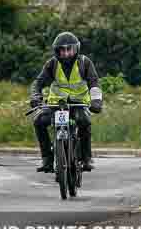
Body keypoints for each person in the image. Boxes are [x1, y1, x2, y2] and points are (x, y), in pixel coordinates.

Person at [29, 32, 103, 173]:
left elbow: (94, 83)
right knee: (39, 120)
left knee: (84, 121)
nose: (66, 53)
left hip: (79, 104)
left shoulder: (84, 62)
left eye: (69, 49)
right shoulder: (52, 64)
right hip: (55, 104)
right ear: (57, 51)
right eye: (62, 50)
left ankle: (86, 158)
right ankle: (47, 159)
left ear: (76, 49)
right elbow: (38, 82)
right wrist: (35, 96)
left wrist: (96, 101)